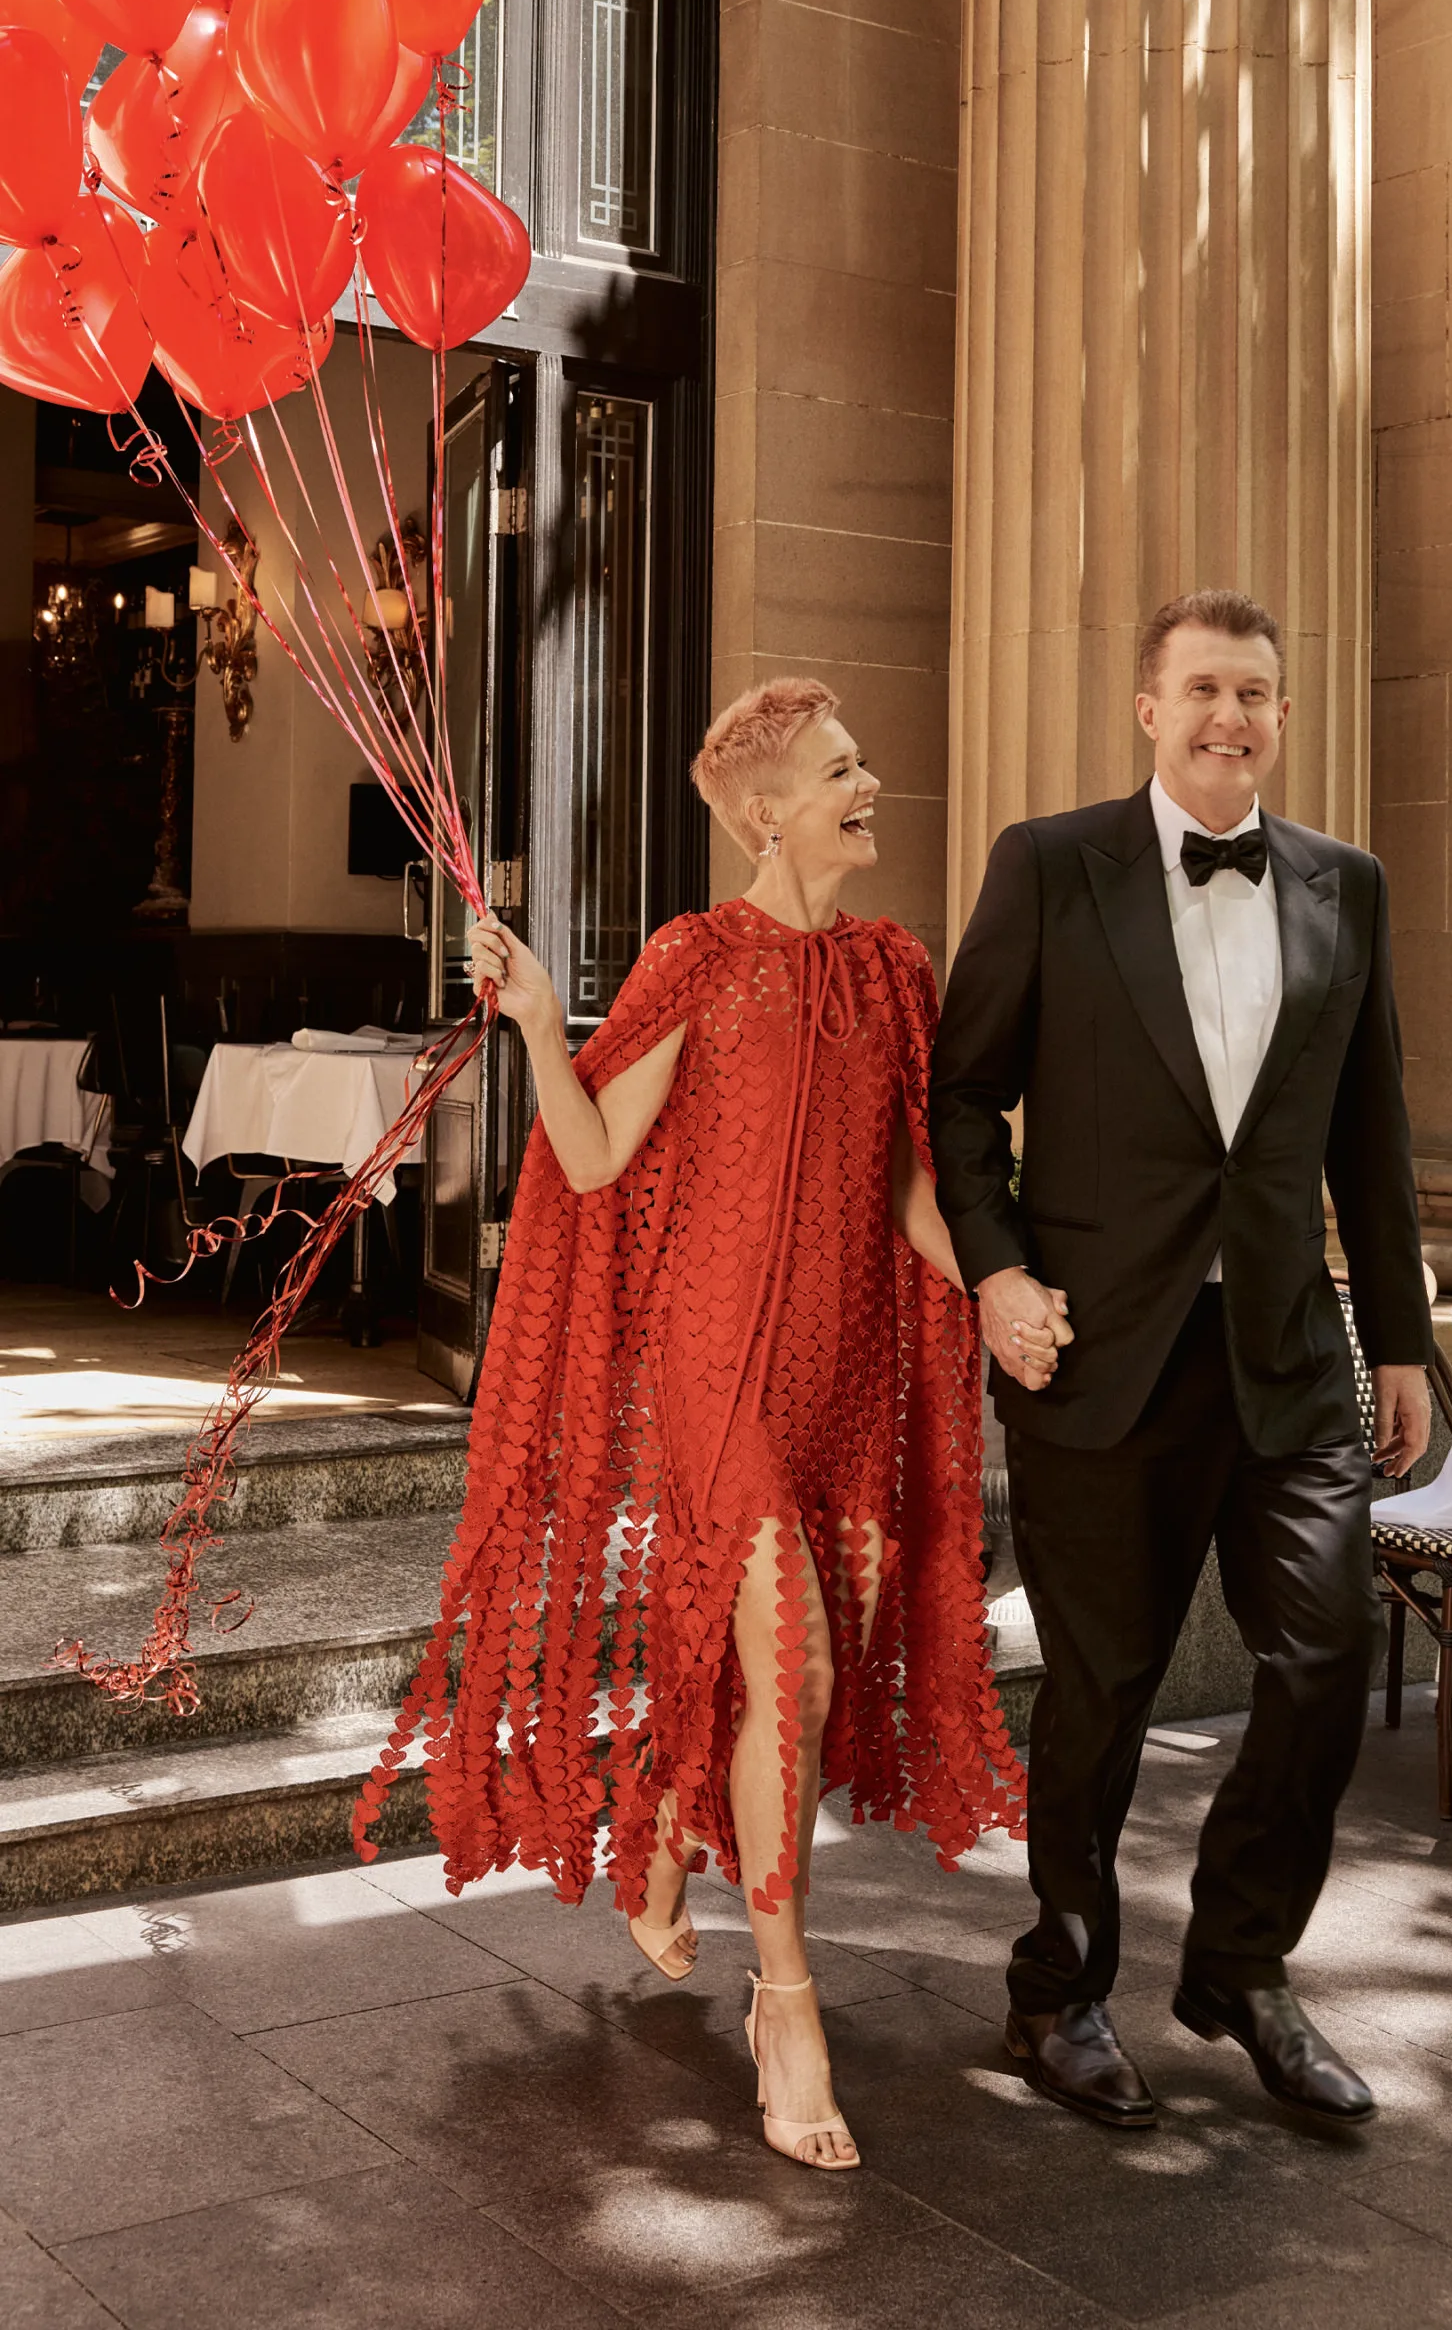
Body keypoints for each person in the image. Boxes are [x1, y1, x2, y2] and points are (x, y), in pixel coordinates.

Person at [355, 677, 1027, 2172]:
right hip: (715, 1379)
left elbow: (918, 1193)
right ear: (763, 811)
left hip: (847, 1372)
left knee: (815, 1669)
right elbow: (592, 1162)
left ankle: (666, 1817)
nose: (872, 786)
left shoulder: (896, 970)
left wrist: (1001, 1286)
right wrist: (537, 1020)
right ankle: (786, 2005)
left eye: (863, 764)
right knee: (784, 1664)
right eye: (841, 770)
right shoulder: (698, 957)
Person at [928, 588, 1433, 2129]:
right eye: (1203, 688)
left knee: (1325, 1662)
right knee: (1102, 1692)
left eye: (1257, 693)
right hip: (1099, 1354)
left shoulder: (1344, 885)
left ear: (1283, 715)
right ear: (1147, 710)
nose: (1231, 716)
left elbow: (1369, 1128)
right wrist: (997, 1274)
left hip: (1285, 1350)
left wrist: (1401, 1344)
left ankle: (1241, 1968)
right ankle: (1060, 1992)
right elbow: (961, 1103)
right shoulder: (1048, 864)